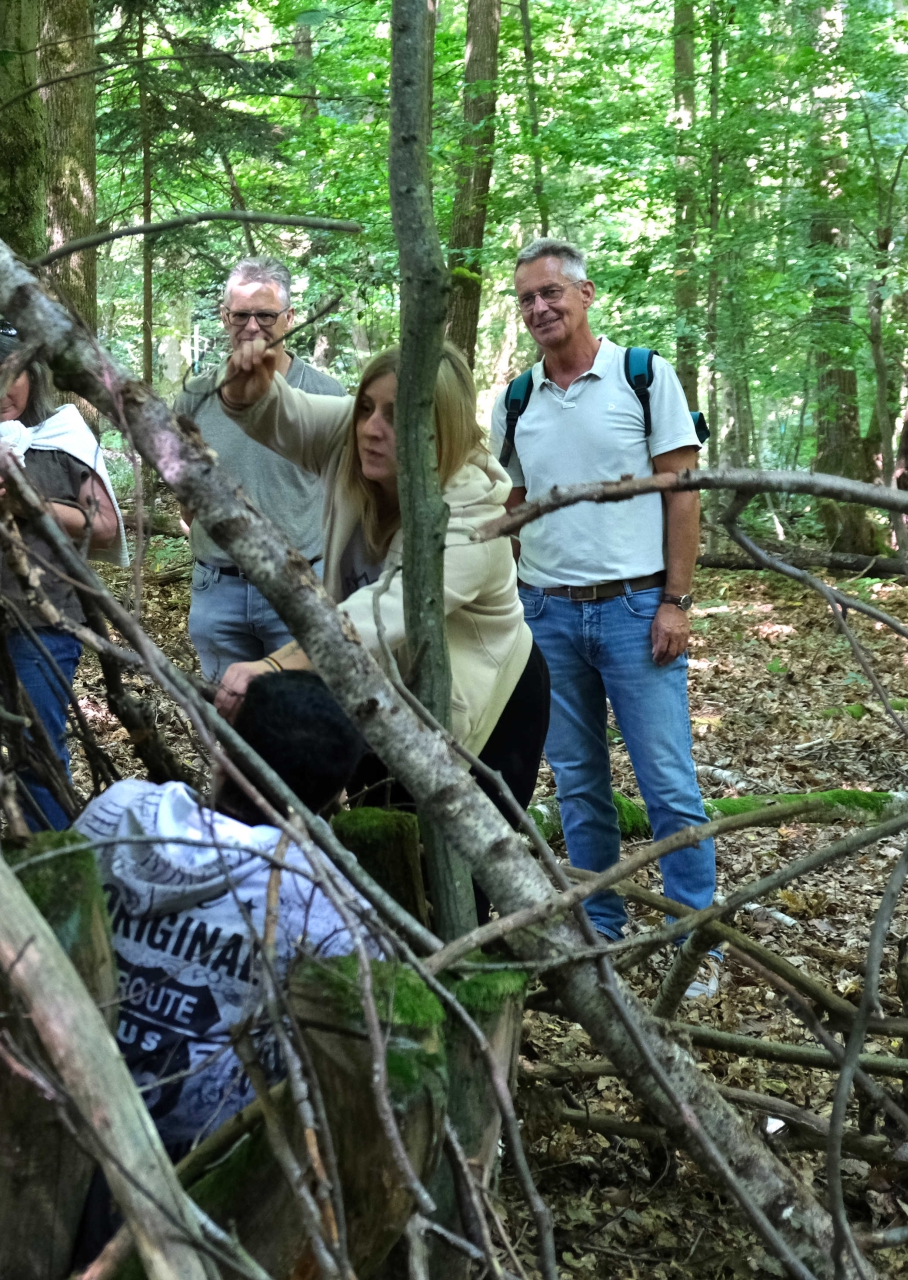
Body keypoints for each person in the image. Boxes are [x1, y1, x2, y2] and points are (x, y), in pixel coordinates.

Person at [493, 237, 717, 993]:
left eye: (551, 292)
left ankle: (696, 942)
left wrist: (675, 602)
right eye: (526, 298)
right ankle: (601, 929)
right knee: (579, 782)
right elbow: (508, 502)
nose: (539, 308)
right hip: (548, 613)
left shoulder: (642, 375)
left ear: (586, 295)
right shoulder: (517, 397)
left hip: (634, 608)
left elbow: (681, 491)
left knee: (668, 783)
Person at [209, 339, 548, 817]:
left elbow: (380, 616)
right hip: (377, 690)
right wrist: (250, 393)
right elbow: (288, 414)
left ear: (439, 429)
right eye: (366, 407)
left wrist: (278, 664)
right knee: (375, 840)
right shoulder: (355, 437)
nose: (371, 428)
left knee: (452, 878)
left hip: (488, 708)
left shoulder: (474, 518)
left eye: (395, 414)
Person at [76, 670, 368, 1154]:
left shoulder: (118, 812)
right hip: (209, 1160)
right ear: (333, 795)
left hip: (68, 1102)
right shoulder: (331, 907)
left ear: (222, 751)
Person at [0, 323, 124, 831]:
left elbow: (104, 527)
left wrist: (33, 504)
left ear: (33, 376)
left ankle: (48, 876)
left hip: (45, 620)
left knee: (37, 755)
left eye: (9, 375)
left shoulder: (64, 436)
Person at [176, 257, 344, 681]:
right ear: (224, 317)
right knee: (227, 723)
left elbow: (346, 495)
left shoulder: (326, 395)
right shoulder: (195, 396)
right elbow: (187, 496)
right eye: (241, 315)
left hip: (300, 587)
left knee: (301, 725)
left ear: (288, 319)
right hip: (219, 589)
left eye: (266, 315)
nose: (252, 327)